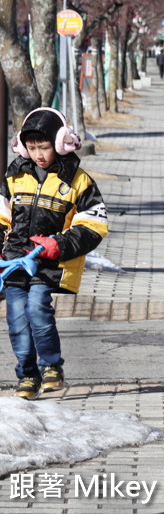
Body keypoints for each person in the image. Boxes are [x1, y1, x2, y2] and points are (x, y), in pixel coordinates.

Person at [2, 107, 108, 399]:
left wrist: (58, 245)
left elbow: (95, 224)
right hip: (13, 264)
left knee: (37, 309)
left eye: (44, 147)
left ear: (61, 143)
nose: (38, 154)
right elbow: (1, 218)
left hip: (49, 263)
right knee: (15, 318)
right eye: (32, 148)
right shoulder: (14, 177)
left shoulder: (77, 180)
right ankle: (26, 374)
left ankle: (51, 366)